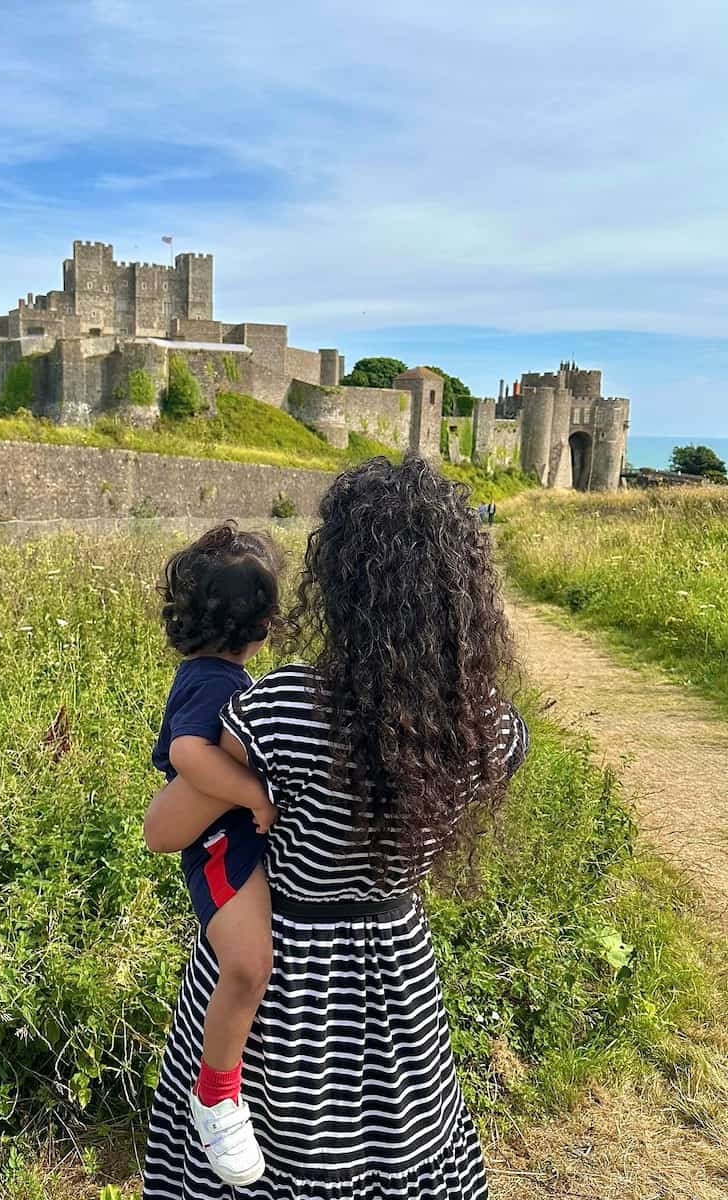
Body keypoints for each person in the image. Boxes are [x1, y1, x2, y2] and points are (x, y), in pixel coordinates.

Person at [143, 456, 530, 1200]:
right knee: (396, 1157)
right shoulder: (488, 728)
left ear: (344, 582)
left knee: (260, 1170)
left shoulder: (281, 709)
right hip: (398, 981)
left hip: (286, 988)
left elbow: (164, 828)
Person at [150, 523, 280, 1188]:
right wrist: (254, 793)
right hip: (216, 844)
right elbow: (186, 756)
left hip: (223, 839)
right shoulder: (212, 684)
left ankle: (223, 1086)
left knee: (250, 964)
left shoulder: (213, 673)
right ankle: (217, 1094)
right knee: (249, 965)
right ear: (260, 622)